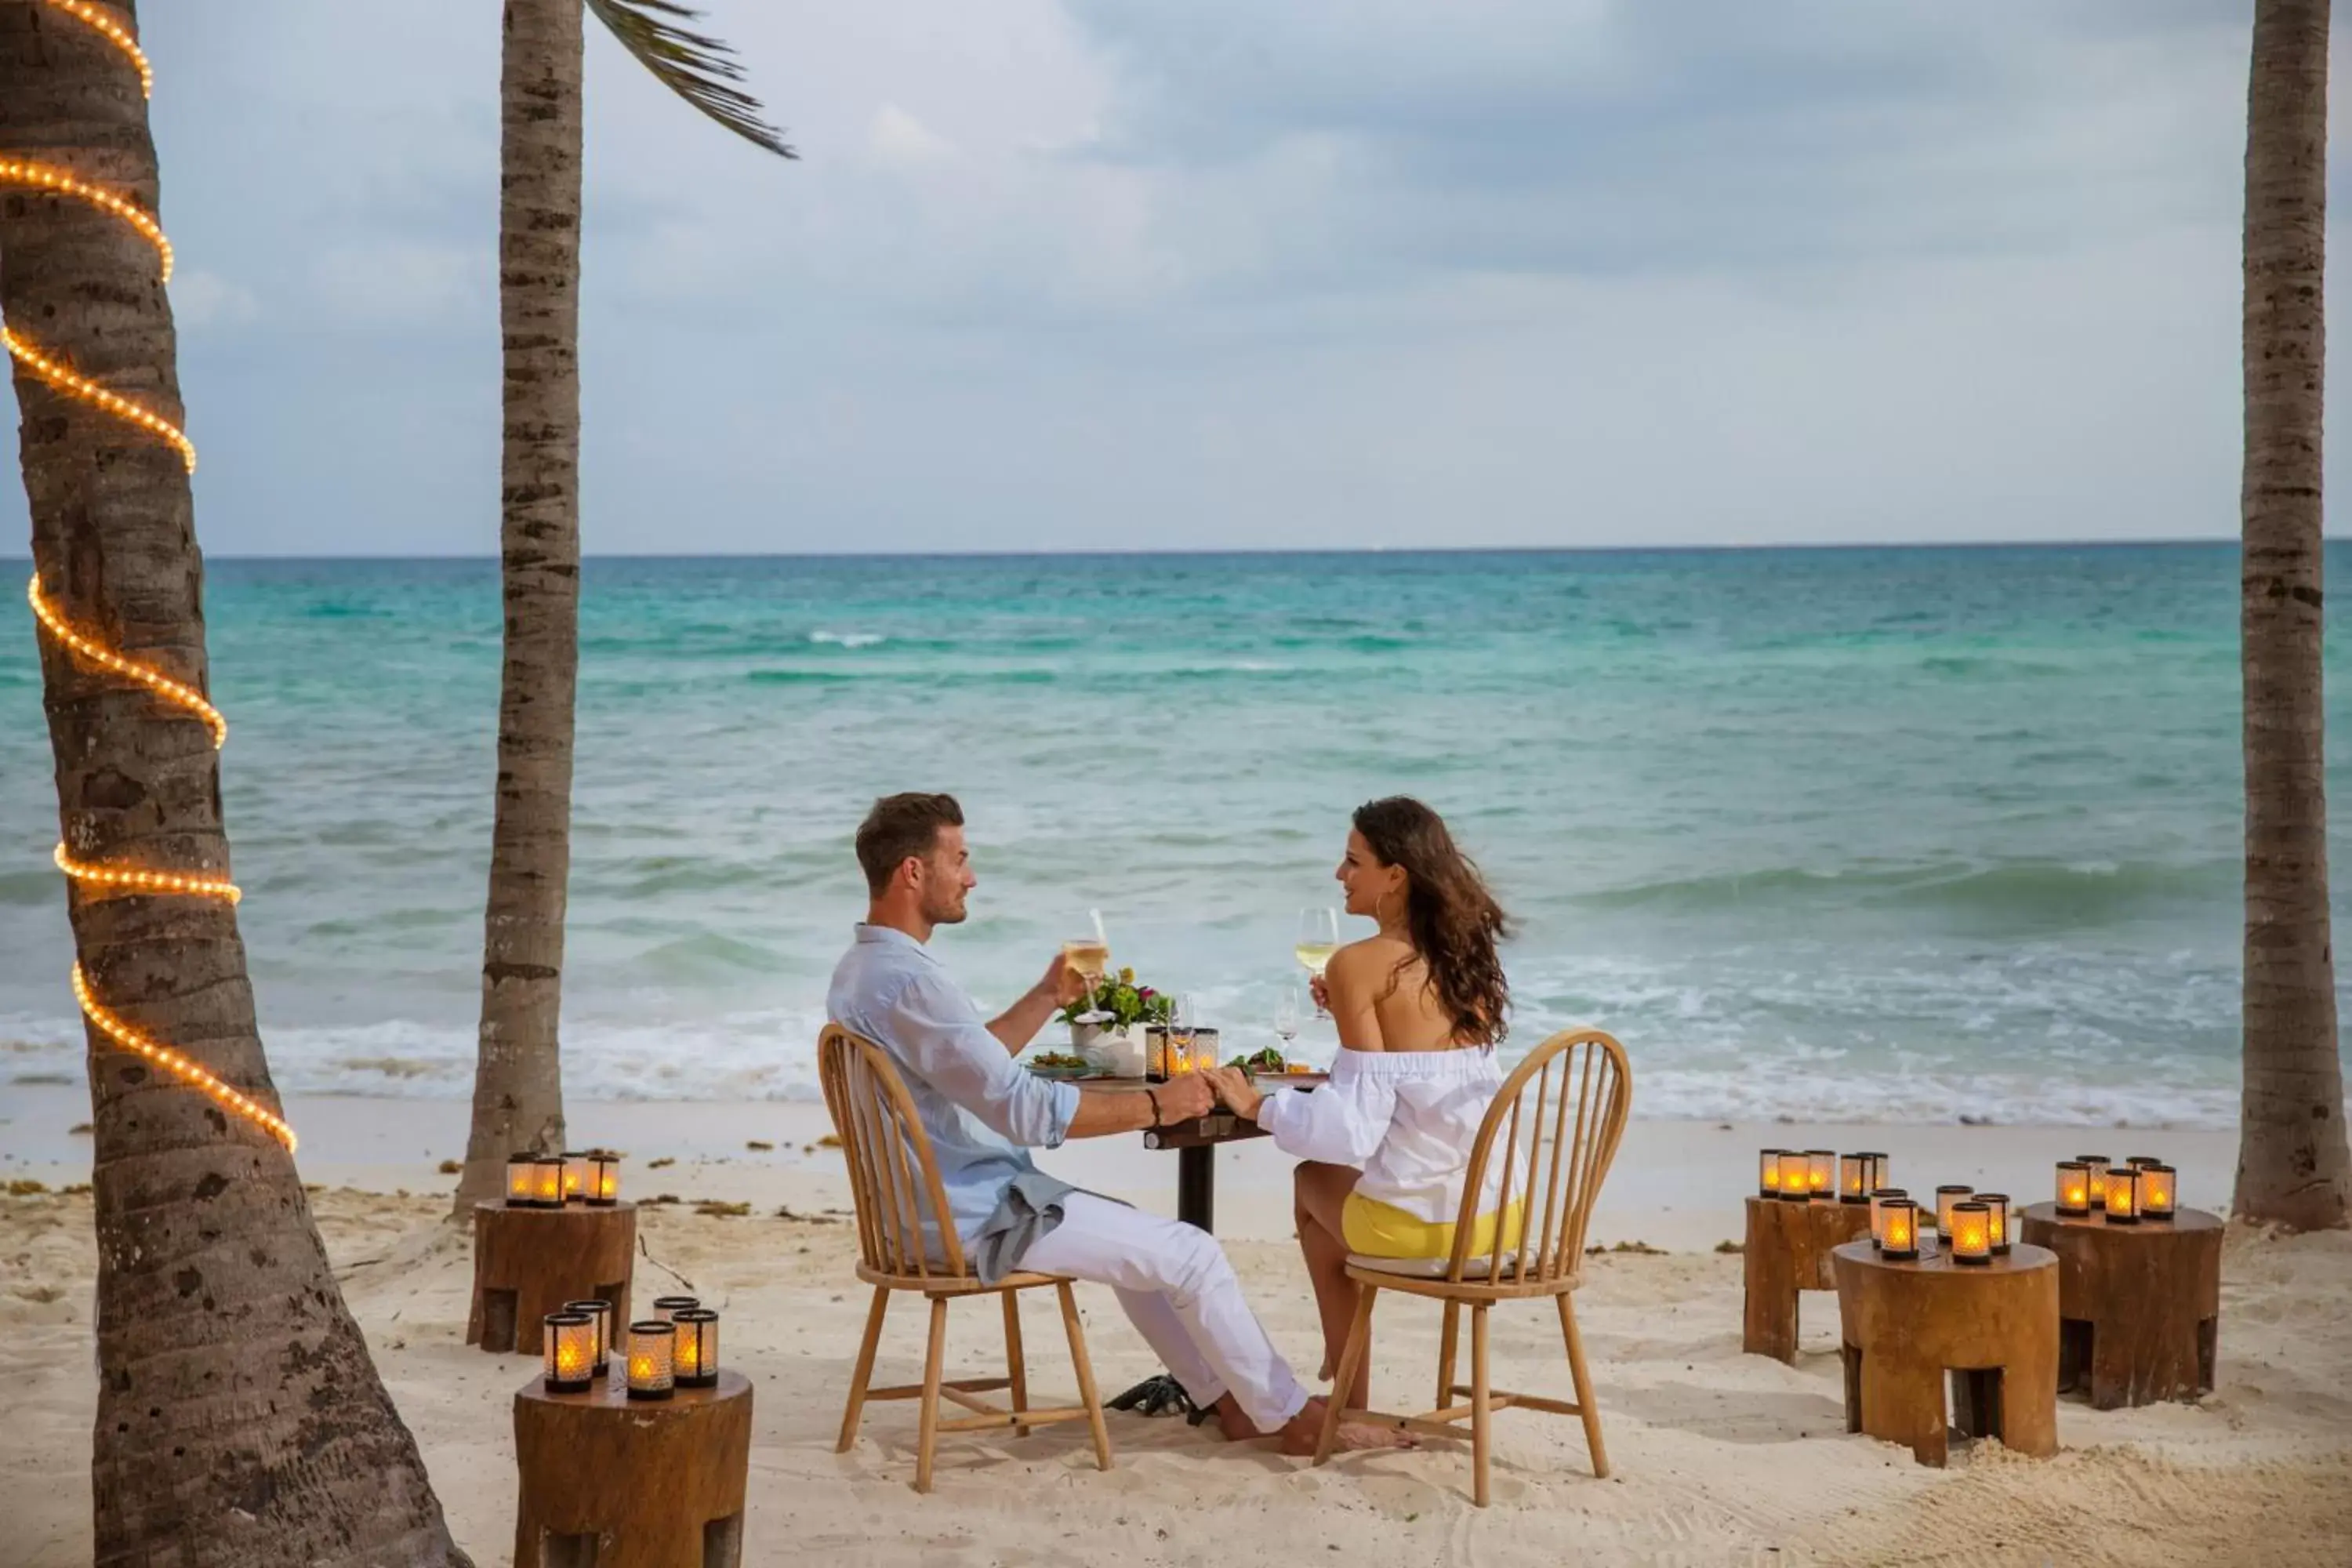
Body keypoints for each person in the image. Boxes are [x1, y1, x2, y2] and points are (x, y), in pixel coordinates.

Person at [826, 791, 1406, 1455]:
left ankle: (1232, 1404)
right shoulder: (910, 982)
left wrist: (1047, 997)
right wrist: (1164, 1105)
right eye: (958, 859)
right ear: (912, 872)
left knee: (1147, 1246)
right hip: (972, 1217)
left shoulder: (866, 970)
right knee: (1194, 1254)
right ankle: (1289, 1419)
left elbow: (964, 1063)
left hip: (927, 1209)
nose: (971, 876)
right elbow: (1022, 1108)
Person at [1204, 797, 1515, 1408]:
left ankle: (1349, 1380)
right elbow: (1417, 1075)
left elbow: (1350, 1133)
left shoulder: (1359, 963)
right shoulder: (1464, 960)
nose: (1339, 875)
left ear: (1395, 876)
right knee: (1326, 1213)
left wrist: (1255, 1108)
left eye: (1352, 862)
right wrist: (1350, 1008)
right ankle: (1346, 1376)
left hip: (1431, 1232)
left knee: (1311, 1178)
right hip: (1504, 1220)